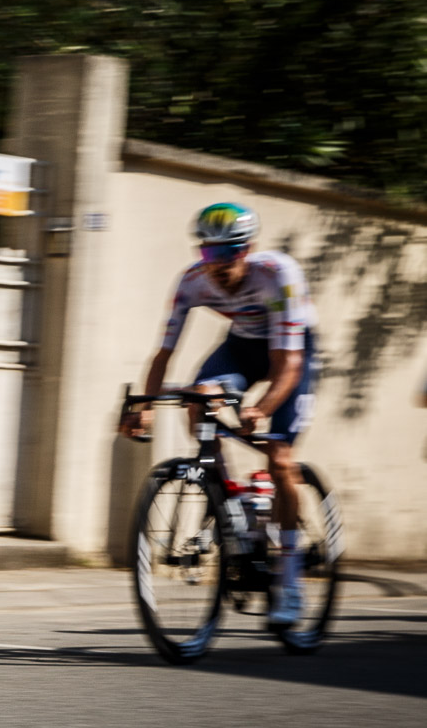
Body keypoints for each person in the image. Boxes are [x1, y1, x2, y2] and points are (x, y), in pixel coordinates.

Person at [121, 202, 318, 627]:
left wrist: (262, 409)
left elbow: (288, 365)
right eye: (209, 252)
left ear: (248, 250)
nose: (219, 263)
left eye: (229, 252)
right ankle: (231, 499)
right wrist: (145, 406)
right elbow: (163, 354)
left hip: (292, 352)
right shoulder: (191, 282)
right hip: (242, 346)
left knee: (280, 458)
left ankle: (289, 581)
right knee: (198, 398)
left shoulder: (278, 276)